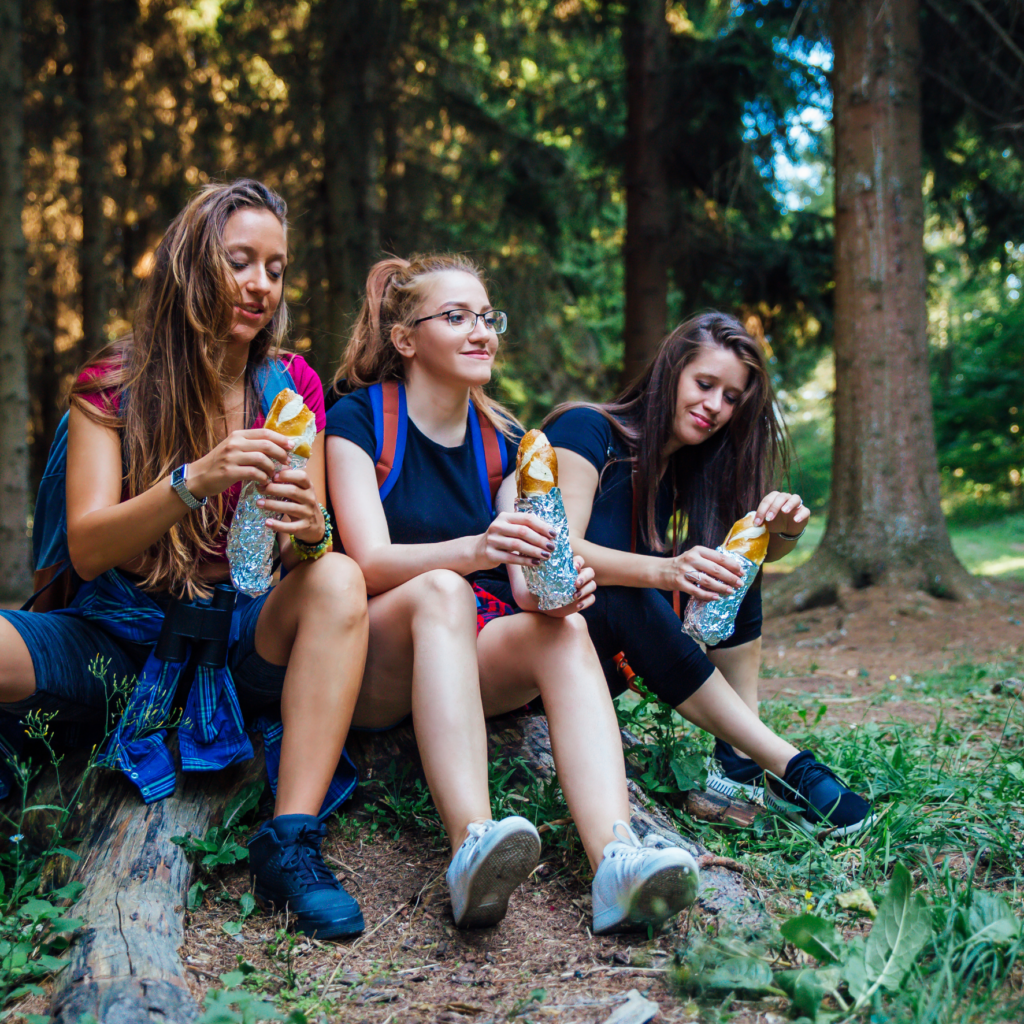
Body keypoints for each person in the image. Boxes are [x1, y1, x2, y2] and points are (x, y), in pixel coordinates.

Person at [0, 180, 370, 938]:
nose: (261, 285)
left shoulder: (290, 384)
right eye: (241, 261)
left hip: (235, 638)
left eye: (276, 267)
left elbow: (307, 555)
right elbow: (89, 544)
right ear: (191, 264)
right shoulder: (115, 383)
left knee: (339, 576)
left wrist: (308, 529)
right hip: (117, 637)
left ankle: (292, 841)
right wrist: (196, 478)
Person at [325, 254, 699, 935]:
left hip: (464, 655)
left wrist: (560, 591)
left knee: (567, 631)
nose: (481, 332)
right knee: (443, 590)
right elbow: (366, 562)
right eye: (457, 317)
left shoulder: (506, 441)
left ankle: (614, 859)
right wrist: (474, 552)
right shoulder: (358, 421)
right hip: (374, 664)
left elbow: (526, 583)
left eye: (487, 317)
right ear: (405, 338)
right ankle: (472, 845)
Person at [544, 312, 874, 837]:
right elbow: (559, 553)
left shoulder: (685, 468)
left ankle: (738, 763)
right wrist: (667, 570)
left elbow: (737, 571)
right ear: (669, 373)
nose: (714, 407)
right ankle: (793, 768)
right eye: (704, 384)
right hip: (546, 643)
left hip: (608, 661)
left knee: (733, 567)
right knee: (623, 594)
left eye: (731, 397)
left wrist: (780, 532)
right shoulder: (587, 428)